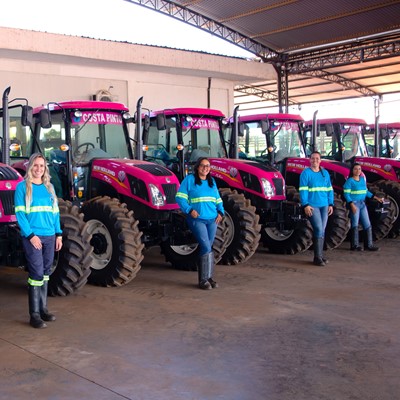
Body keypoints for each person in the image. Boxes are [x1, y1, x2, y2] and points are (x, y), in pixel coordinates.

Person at [14, 153, 63, 328]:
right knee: (35, 274)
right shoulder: (22, 188)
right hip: (33, 236)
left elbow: (55, 213)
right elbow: (20, 215)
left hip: (50, 236)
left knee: (45, 272)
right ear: (30, 167)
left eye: (42, 166)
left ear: (45, 169)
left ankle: (43, 310)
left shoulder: (49, 188)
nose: (38, 169)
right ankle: (34, 315)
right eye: (35, 165)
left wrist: (58, 234)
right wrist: (31, 236)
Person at [176, 157, 224, 289]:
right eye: (203, 166)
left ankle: (208, 278)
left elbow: (218, 199)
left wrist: (221, 212)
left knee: (209, 247)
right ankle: (203, 280)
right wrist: (189, 210)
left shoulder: (211, 181)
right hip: (197, 219)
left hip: (212, 219)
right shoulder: (189, 180)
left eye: (208, 166)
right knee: (206, 247)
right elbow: (179, 198)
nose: (205, 168)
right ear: (197, 167)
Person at [300, 151, 334, 266]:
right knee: (319, 228)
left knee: (322, 230)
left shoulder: (325, 173)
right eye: (313, 158)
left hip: (324, 205)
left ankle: (320, 256)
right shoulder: (305, 173)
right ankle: (317, 257)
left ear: (320, 160)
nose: (315, 160)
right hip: (313, 205)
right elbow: (303, 190)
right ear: (310, 160)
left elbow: (329, 189)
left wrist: (331, 203)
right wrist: (305, 204)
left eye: (317, 158)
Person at [343, 163, 382, 251]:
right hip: (355, 203)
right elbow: (346, 194)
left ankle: (369, 245)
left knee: (367, 224)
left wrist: (376, 197)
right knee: (355, 224)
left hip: (362, 204)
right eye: (356, 169)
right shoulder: (349, 181)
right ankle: (354, 245)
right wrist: (351, 204)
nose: (358, 171)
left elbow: (366, 192)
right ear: (352, 170)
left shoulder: (362, 180)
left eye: (359, 169)